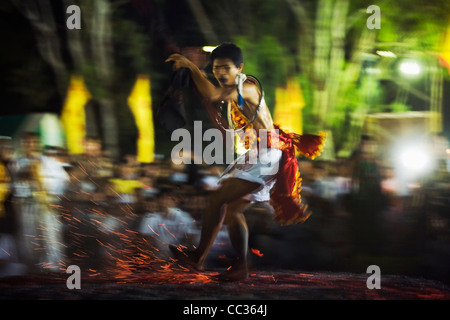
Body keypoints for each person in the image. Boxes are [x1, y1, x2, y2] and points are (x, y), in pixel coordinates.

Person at [165, 43, 325, 281]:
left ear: (239, 68)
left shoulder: (247, 87)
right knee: (231, 210)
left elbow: (211, 94)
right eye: (216, 68)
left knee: (218, 200)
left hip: (266, 155)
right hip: (259, 154)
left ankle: (200, 257)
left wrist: (190, 66)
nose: (220, 73)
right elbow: (214, 95)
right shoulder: (234, 90)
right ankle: (235, 265)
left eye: (226, 68)